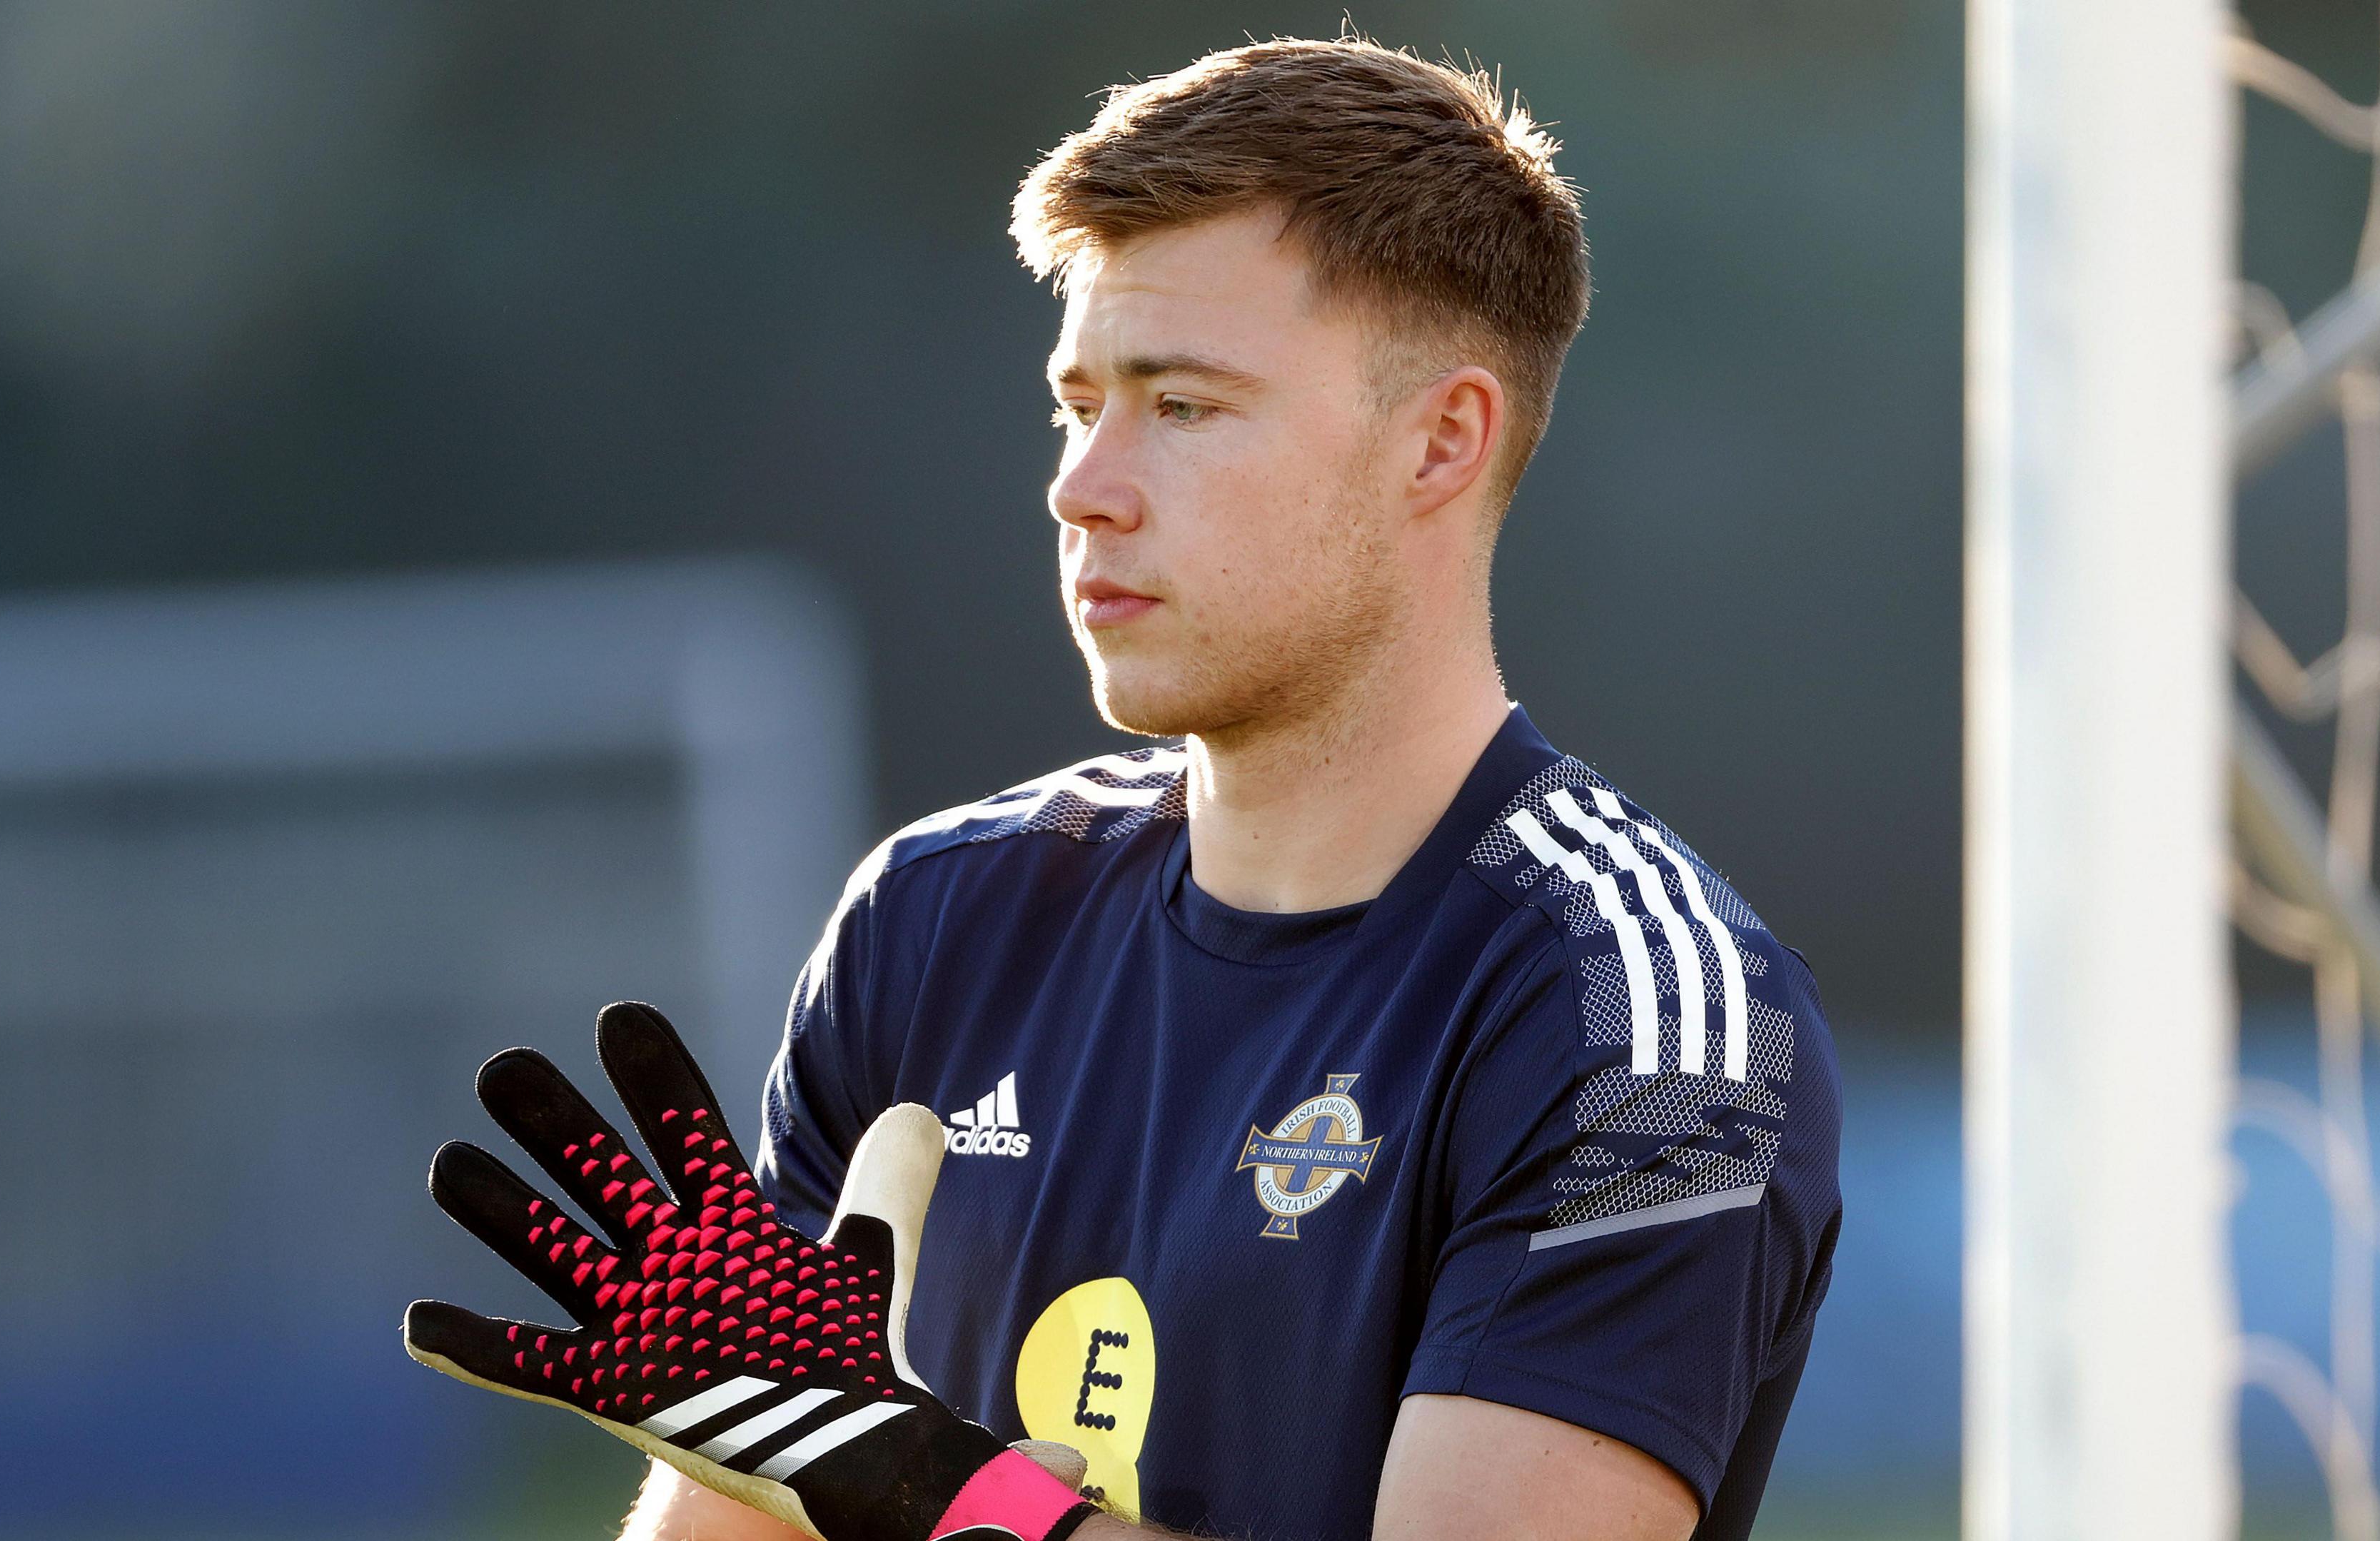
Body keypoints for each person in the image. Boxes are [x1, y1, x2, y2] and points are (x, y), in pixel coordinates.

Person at [632, 35, 1841, 1541]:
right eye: (1081, 404)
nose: (1086, 485)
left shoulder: (1653, 1021)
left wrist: (943, 1504)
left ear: (1441, 442)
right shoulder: (936, 920)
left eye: (1182, 406)